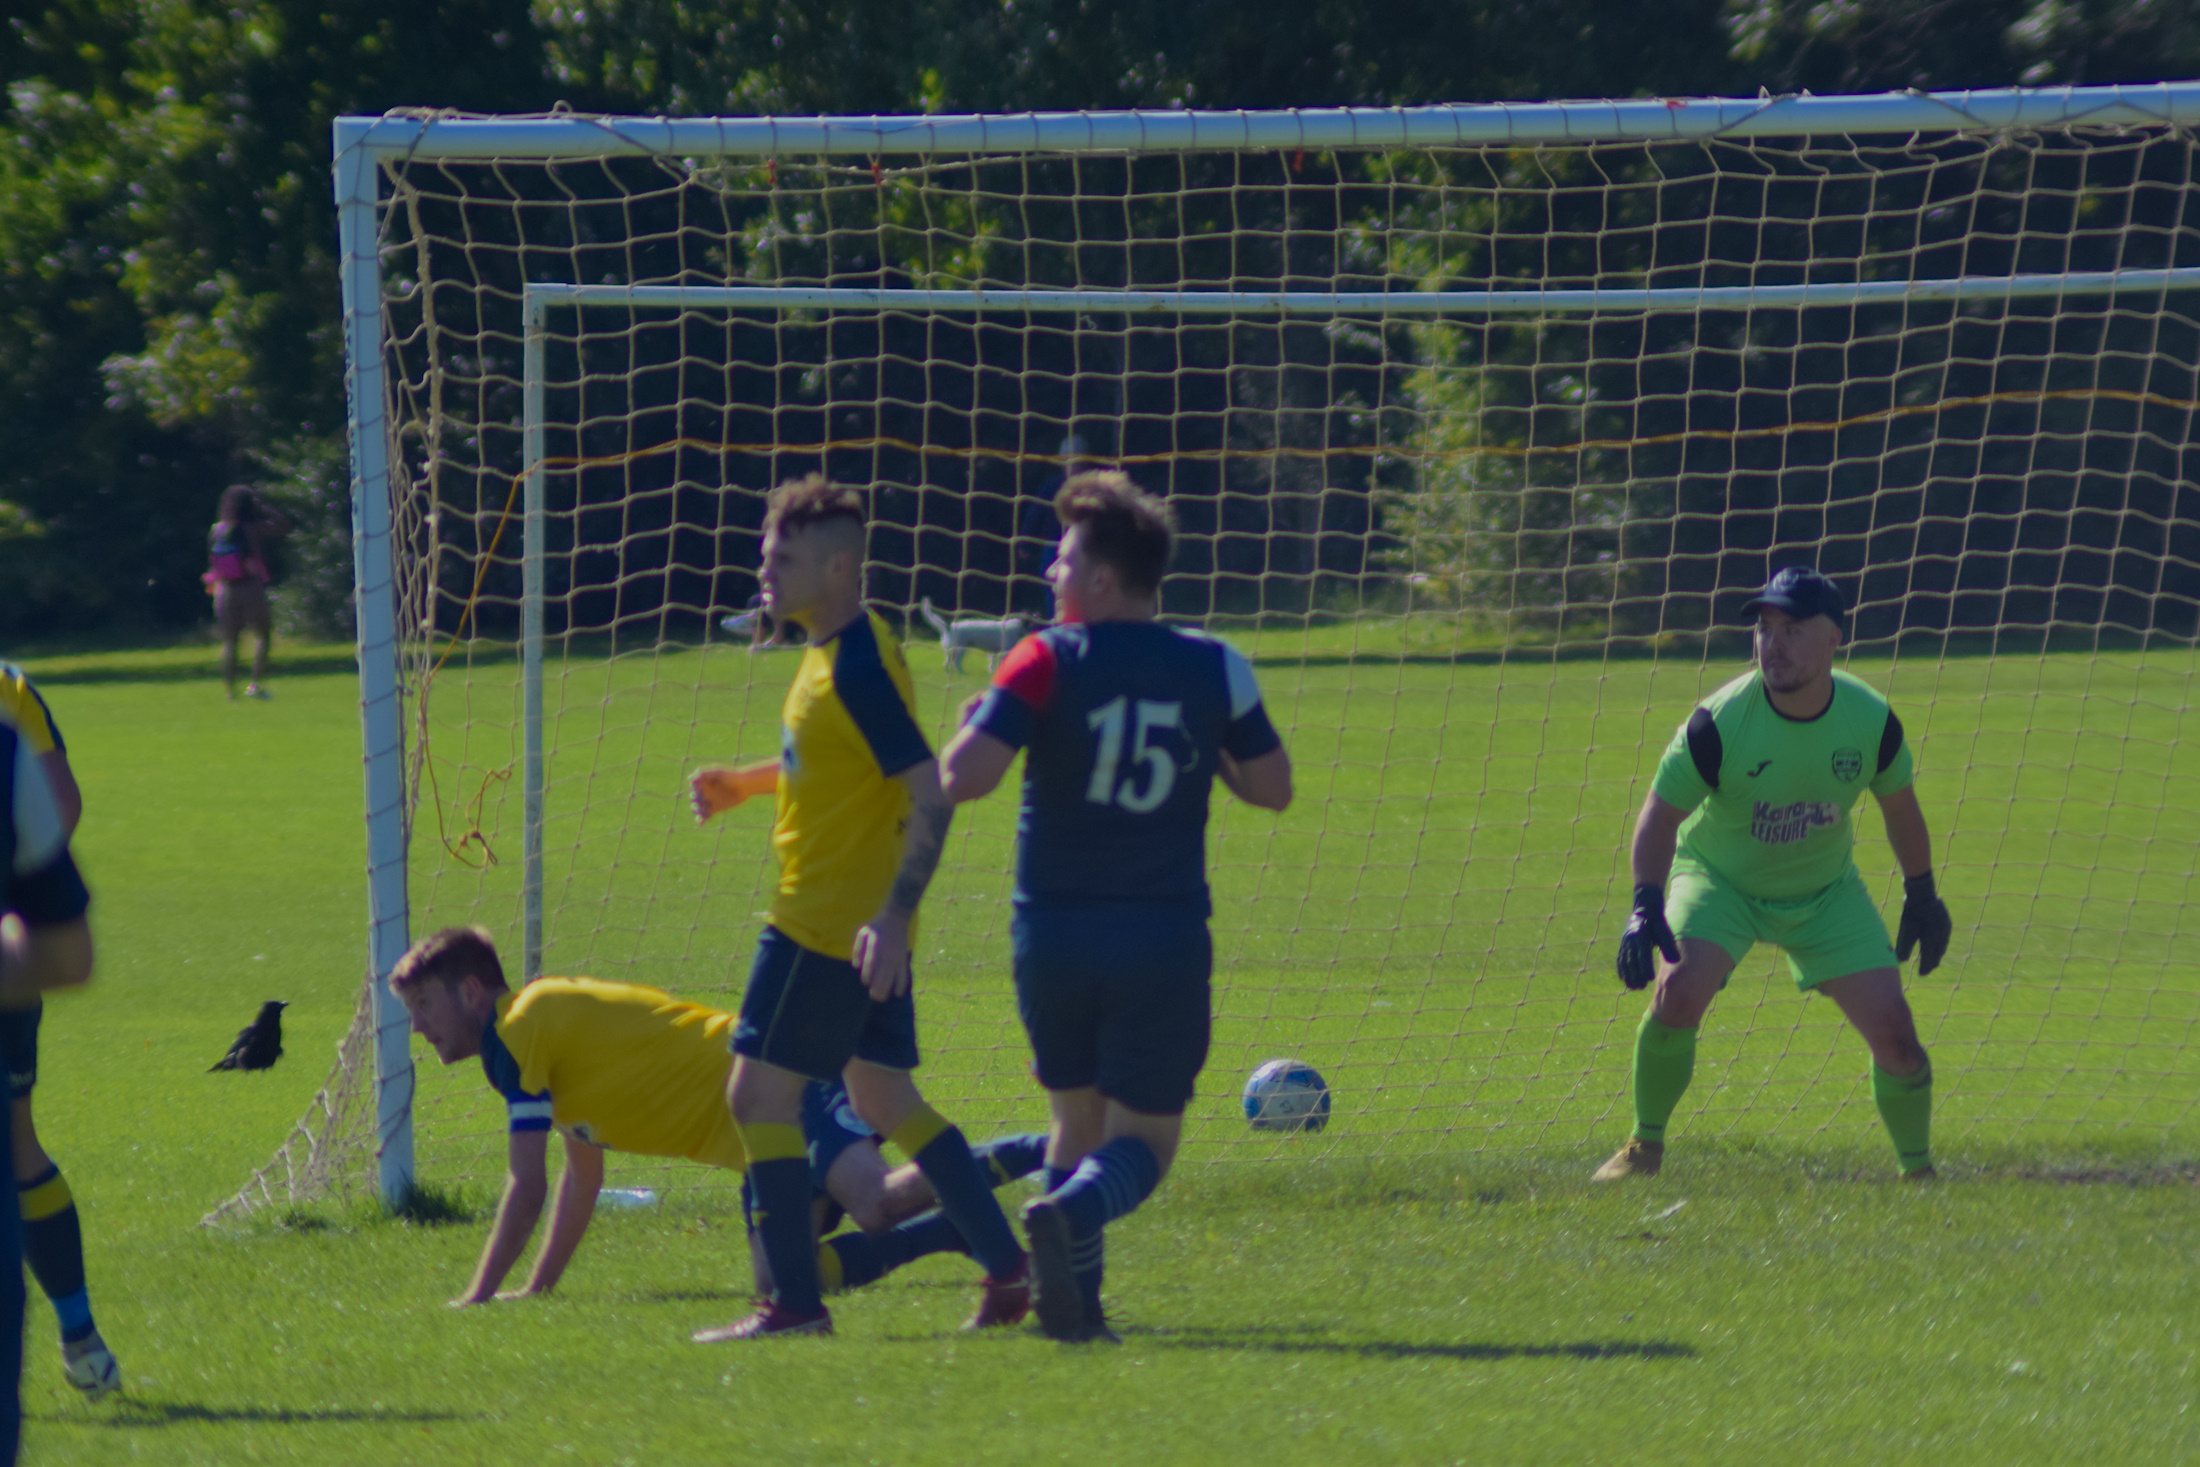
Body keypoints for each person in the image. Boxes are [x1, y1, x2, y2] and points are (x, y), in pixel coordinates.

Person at [940, 471, 1295, 1341]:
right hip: (1161, 935)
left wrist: (985, 713)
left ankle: (1077, 1310)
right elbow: (1274, 788)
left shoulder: (1041, 658)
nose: (1051, 578)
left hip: (1050, 934)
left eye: (1061, 563)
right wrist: (1201, 741)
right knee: (1147, 1144)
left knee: (1076, 1120)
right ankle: (1073, 1214)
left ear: (1102, 580)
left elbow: (962, 779)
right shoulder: (1215, 663)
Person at [688, 473, 1029, 1342]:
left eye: (783, 558)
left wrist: (888, 914)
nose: (765, 572)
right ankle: (1010, 1265)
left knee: (756, 1096)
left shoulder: (860, 664)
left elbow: (930, 789)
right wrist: (748, 785)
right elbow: (845, 772)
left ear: (838, 565)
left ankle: (794, 1306)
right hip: (860, 920)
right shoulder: (836, 645)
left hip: (824, 924)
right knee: (884, 1099)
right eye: (767, 555)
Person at [390, 926, 1047, 1306]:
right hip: (762, 1147)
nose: (418, 1026)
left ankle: (1045, 1147)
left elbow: (525, 1183)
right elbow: (578, 1176)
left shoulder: (518, 1030)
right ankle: (956, 1230)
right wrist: (537, 1289)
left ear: (471, 990)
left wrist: (476, 1296)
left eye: (423, 1004)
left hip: (787, 1079)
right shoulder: (533, 1044)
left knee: (874, 1203)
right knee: (786, 1283)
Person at [1594, 566, 1954, 1183]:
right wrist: (1644, 904)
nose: (1771, 643)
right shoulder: (1718, 722)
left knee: (1899, 1041)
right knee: (1676, 994)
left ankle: (1919, 1176)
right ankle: (1641, 1148)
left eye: (1791, 628)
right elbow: (1659, 815)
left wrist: (1922, 892)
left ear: (1834, 638)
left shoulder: (1870, 720)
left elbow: (1901, 809)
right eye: (1762, 628)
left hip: (1824, 895)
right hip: (1720, 883)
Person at [0, 669, 113, 1399]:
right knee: (16, 1141)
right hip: (14, 958)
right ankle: (80, 1337)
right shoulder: (8, 690)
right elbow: (60, 803)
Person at [204, 485, 289, 701]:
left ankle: (230, 692)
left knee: (230, 642)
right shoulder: (252, 528)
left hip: (224, 589)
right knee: (262, 635)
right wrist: (266, 509)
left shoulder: (216, 530)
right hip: (250, 586)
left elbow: (212, 562)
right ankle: (256, 684)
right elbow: (284, 527)